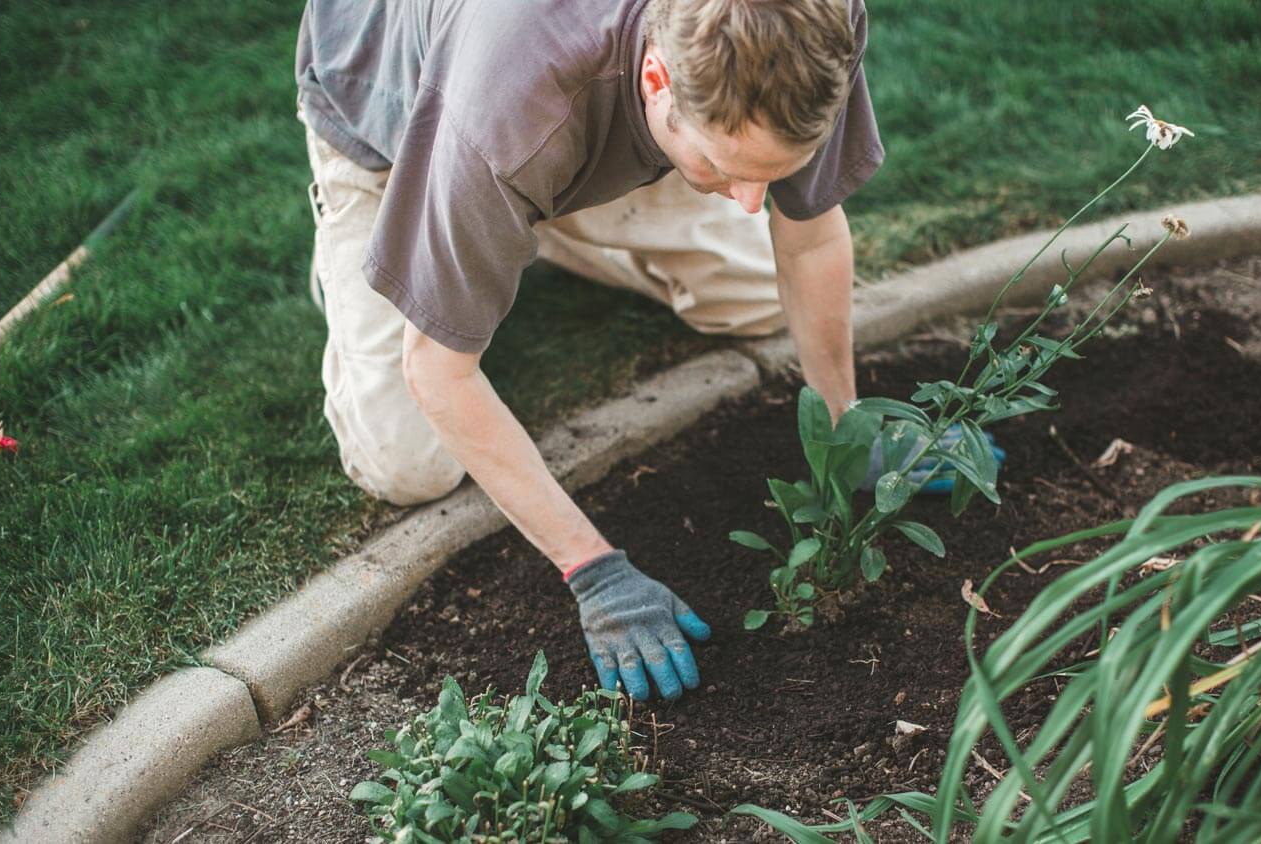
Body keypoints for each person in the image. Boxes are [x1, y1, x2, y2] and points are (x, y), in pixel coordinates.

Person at [296, 0, 889, 701]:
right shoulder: (502, 112)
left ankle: (519, 222)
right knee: (409, 463)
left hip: (553, 129)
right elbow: (437, 369)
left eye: (774, 169)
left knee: (759, 296)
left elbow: (811, 233)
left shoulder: (811, 26)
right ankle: (406, 250)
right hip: (389, 127)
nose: (752, 203)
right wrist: (593, 568)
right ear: (656, 76)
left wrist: (849, 428)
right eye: (728, 168)